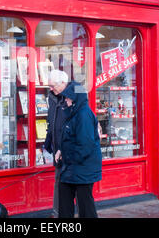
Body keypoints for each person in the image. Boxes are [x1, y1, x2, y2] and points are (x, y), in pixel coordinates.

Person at [57, 82, 102, 218]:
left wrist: (66, 156)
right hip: (72, 168)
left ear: (76, 98)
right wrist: (61, 151)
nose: (66, 100)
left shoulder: (83, 115)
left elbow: (85, 146)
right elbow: (70, 139)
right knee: (65, 200)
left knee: (85, 206)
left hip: (83, 169)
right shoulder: (74, 113)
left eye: (68, 97)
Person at [44, 69, 69, 218]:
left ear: (63, 83)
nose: (51, 89)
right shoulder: (52, 98)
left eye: (53, 86)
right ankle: (57, 213)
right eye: (49, 86)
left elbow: (74, 127)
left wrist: (64, 148)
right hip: (57, 149)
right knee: (58, 181)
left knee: (76, 186)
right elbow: (51, 122)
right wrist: (48, 143)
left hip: (70, 150)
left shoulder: (73, 99)